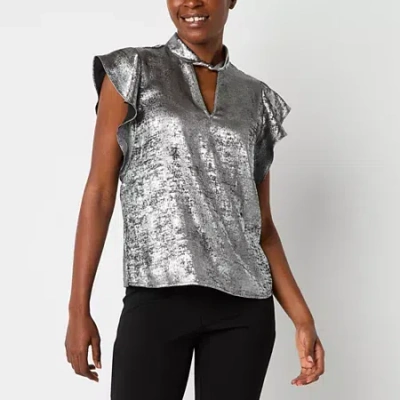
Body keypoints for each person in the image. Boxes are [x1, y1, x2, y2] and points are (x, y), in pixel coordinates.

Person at [65, 0, 325, 398]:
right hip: (156, 298)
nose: (191, 2)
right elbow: (99, 193)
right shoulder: (132, 71)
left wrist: (303, 318)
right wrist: (78, 309)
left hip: (244, 311)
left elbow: (261, 226)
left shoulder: (255, 98)